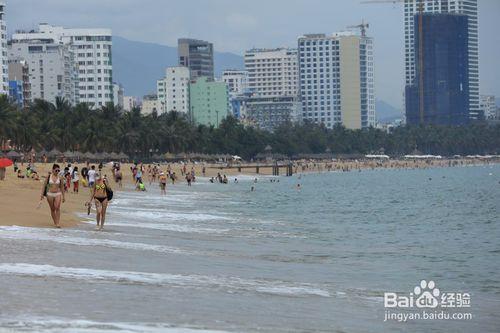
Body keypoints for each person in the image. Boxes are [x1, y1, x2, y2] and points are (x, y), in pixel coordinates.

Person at [40, 164, 65, 228]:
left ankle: (58, 223)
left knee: (57, 207)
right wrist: (42, 194)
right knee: (52, 209)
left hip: (57, 194)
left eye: (58, 170)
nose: (57, 172)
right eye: (56, 170)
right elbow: (44, 185)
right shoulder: (49, 176)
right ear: (53, 170)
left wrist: (64, 196)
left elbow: (62, 187)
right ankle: (55, 222)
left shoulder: (60, 177)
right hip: (50, 194)